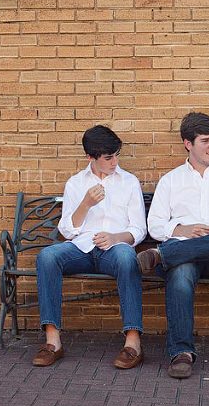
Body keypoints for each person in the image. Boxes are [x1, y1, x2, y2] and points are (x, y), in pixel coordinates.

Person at [138, 112, 209, 379]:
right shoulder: (171, 180)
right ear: (187, 143)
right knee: (179, 275)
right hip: (186, 258)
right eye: (205, 141)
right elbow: (154, 224)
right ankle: (181, 353)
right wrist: (183, 230)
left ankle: (161, 255)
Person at [32, 125, 147, 369]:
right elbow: (67, 230)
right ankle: (53, 341)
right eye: (108, 157)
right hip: (81, 248)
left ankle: (133, 342)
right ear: (90, 157)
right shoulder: (75, 183)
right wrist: (85, 204)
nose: (115, 161)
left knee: (127, 257)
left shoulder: (129, 182)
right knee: (47, 256)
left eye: (117, 155)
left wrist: (116, 237)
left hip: (114, 250)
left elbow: (139, 229)